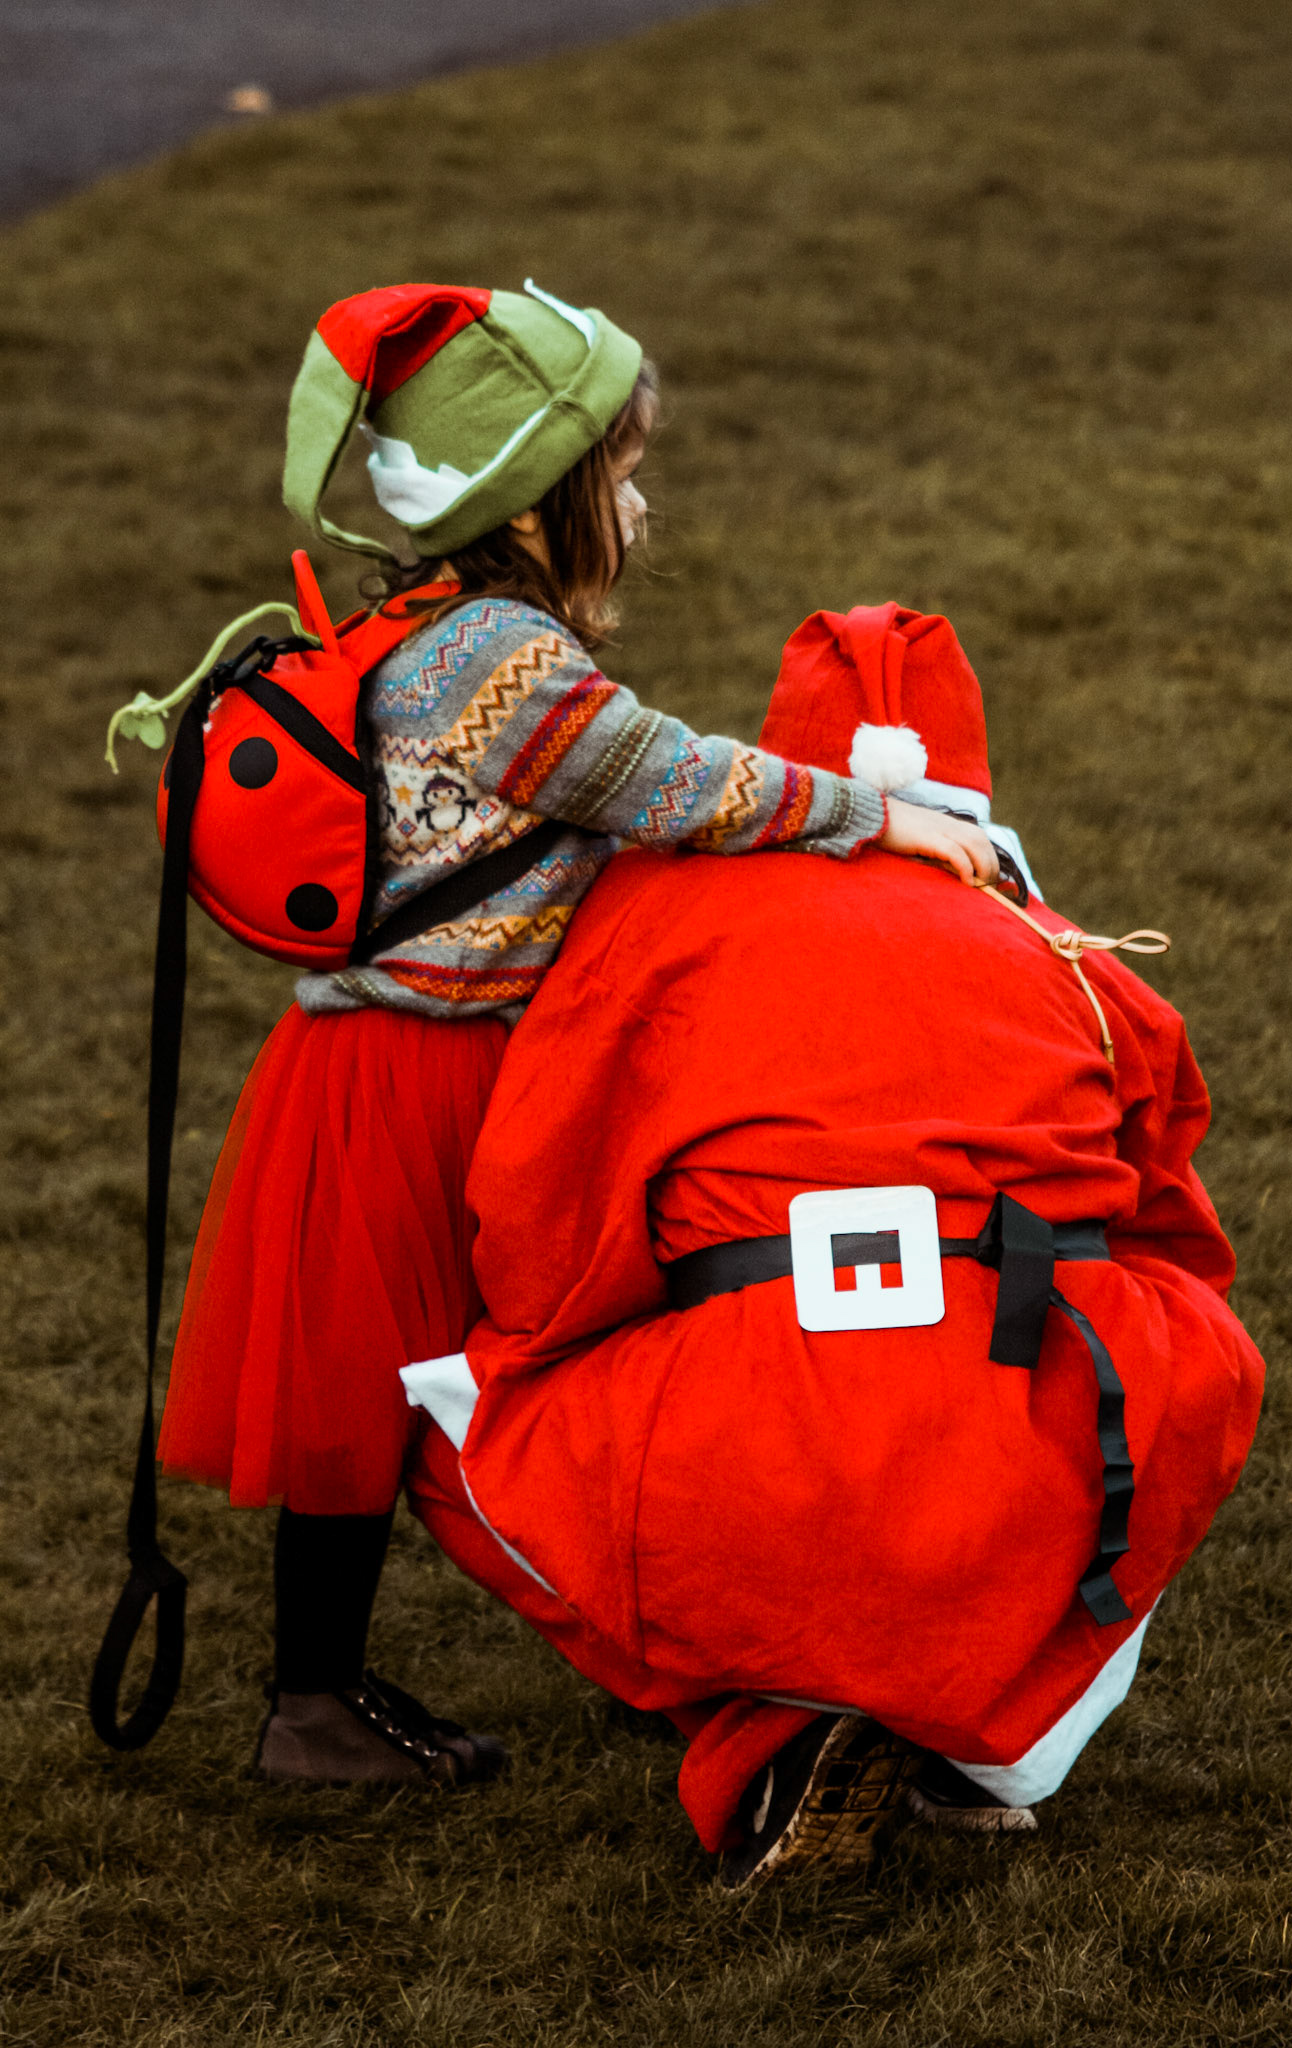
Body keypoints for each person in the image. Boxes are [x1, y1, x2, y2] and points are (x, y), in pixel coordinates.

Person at [154, 280, 1001, 1786]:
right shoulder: (501, 664)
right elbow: (677, 782)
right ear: (536, 502)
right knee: (460, 1381)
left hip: (395, 1059)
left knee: (427, 1382)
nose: (638, 499)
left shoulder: (435, 616)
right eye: (615, 474)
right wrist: (892, 820)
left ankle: (391, 1685)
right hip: (424, 1072)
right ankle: (346, 1705)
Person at [402, 598, 1265, 1884]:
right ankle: (974, 1734)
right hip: (1034, 1402)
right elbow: (1175, 1229)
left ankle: (770, 1716)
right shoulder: (1068, 950)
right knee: (1184, 1360)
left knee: (449, 1438)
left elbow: (543, 1216)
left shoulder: (652, 918)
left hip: (756, 1401)